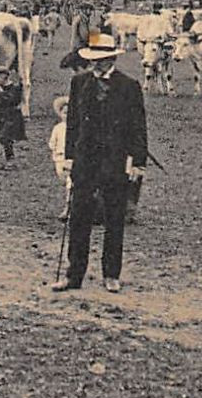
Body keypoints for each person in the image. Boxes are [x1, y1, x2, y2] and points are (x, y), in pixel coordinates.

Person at [50, 32, 148, 295]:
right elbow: (72, 124)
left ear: (112, 58)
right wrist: (69, 156)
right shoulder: (79, 83)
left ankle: (111, 274)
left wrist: (138, 161)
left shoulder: (129, 86)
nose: (97, 64)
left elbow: (138, 127)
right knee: (79, 218)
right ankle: (74, 274)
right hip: (85, 162)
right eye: (94, 59)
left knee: (114, 219)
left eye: (102, 59)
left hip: (115, 162)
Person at [0, 64, 25, 167]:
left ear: (4, 77)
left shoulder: (15, 87)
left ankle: (10, 158)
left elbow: (11, 101)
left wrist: (0, 92)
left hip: (11, 117)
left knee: (5, 137)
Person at [48, 94, 72, 221]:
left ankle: (68, 208)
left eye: (70, 113)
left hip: (71, 159)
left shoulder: (76, 128)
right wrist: (55, 150)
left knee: (71, 183)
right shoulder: (58, 128)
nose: (67, 116)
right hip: (59, 158)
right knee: (64, 180)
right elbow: (52, 143)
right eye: (65, 113)